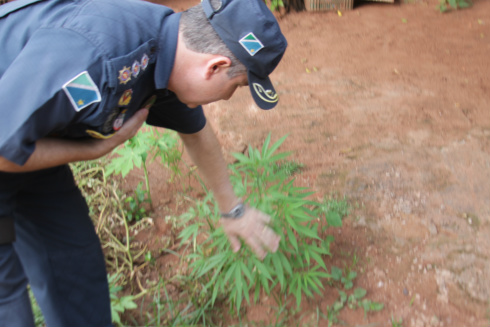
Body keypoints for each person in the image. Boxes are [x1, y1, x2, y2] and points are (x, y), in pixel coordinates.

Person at [0, 0, 287, 325]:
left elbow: (196, 133)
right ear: (214, 67)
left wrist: (232, 209)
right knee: (8, 305)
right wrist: (93, 151)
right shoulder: (97, 55)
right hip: (6, 142)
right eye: (235, 86)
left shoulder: (168, 55)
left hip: (25, 144)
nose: (227, 97)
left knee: (75, 268)